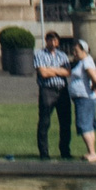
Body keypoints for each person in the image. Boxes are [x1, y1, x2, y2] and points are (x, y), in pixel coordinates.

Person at [34, 30, 73, 159]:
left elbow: (68, 72)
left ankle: (65, 151)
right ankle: (44, 152)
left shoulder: (62, 55)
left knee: (65, 122)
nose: (53, 42)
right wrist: (58, 71)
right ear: (46, 41)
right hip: (47, 90)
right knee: (44, 122)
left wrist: (51, 69)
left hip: (62, 90)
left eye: (55, 40)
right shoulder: (39, 54)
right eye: (50, 40)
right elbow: (43, 73)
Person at [66, 37, 96, 162]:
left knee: (84, 125)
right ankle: (91, 151)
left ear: (84, 51)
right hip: (85, 98)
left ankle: (92, 153)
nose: (74, 53)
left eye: (76, 51)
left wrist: (94, 86)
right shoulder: (84, 62)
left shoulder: (86, 62)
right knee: (89, 126)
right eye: (73, 51)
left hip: (84, 98)